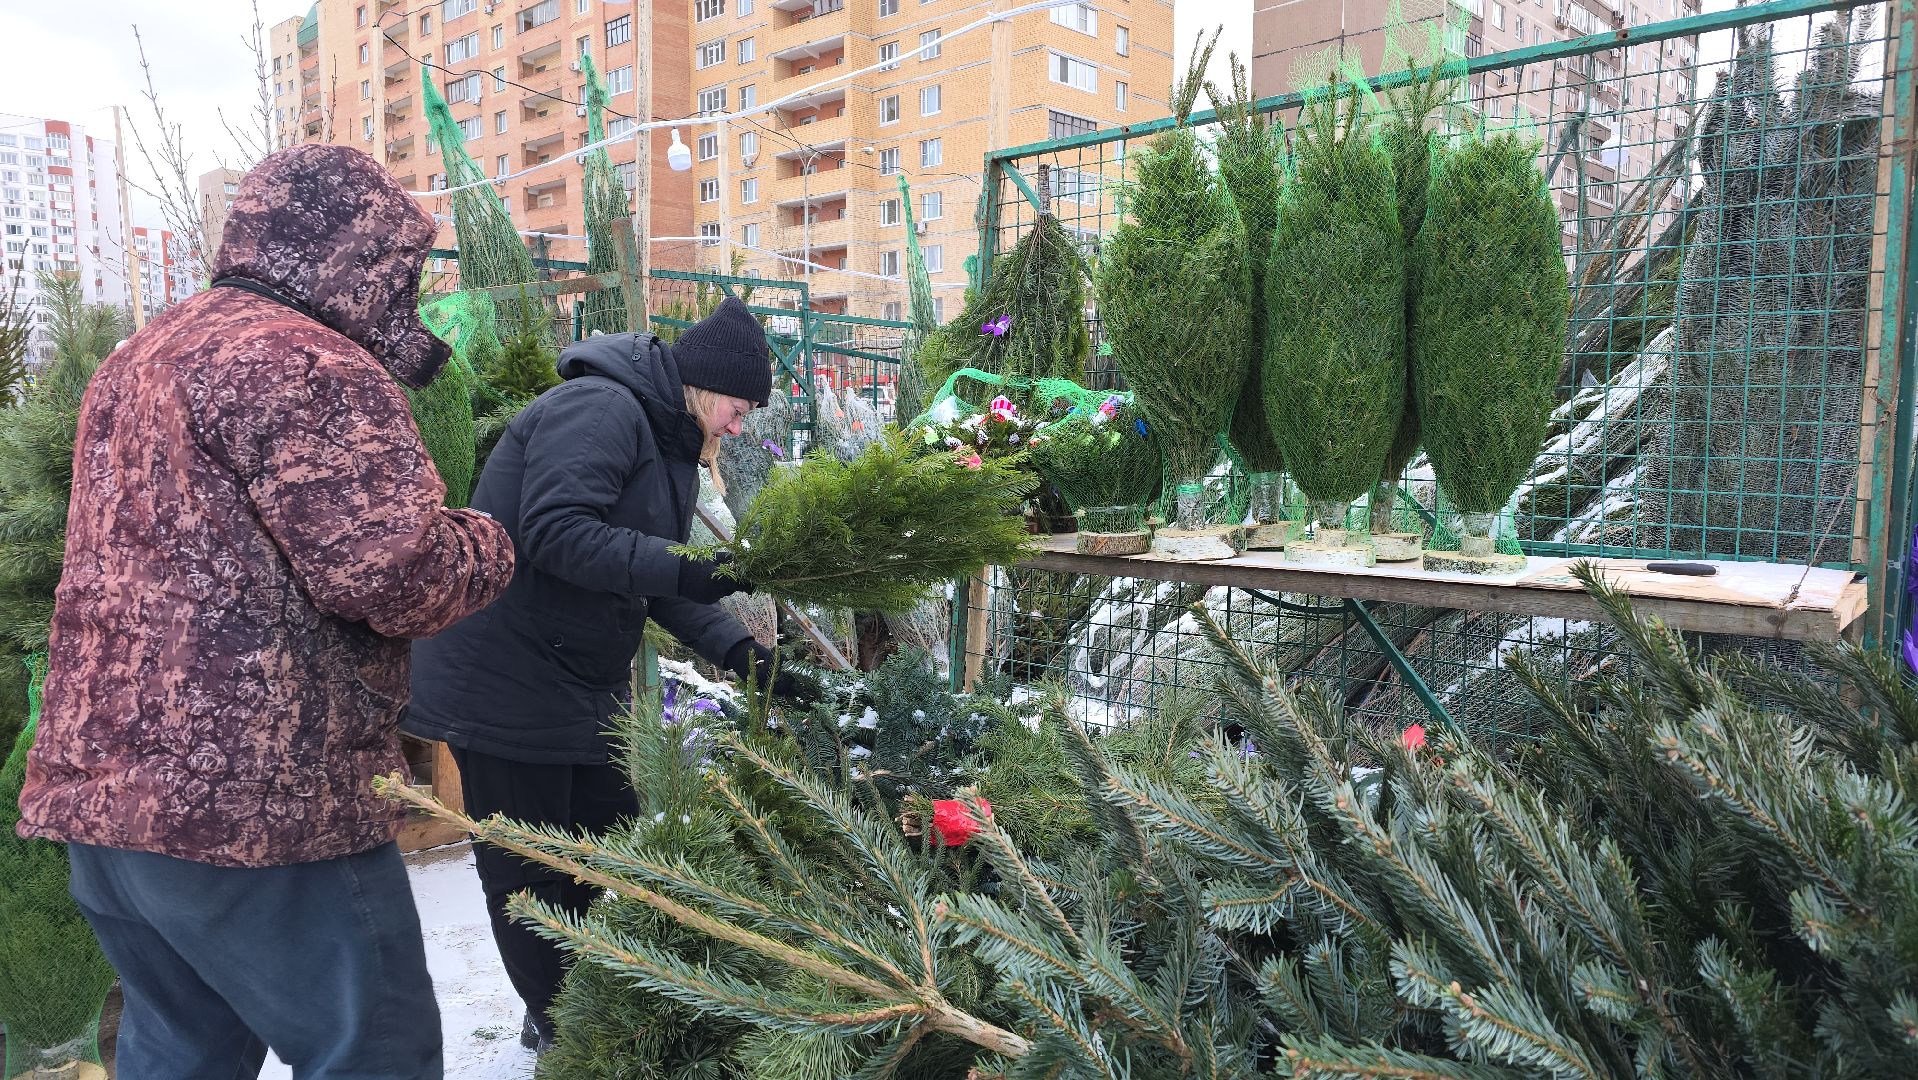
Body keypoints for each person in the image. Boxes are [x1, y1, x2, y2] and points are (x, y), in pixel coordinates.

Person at [15, 144, 517, 1079]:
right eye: (396, 266)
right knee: (375, 1056)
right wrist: (489, 539)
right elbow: (395, 572)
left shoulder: (141, 352)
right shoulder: (305, 362)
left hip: (107, 805)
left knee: (183, 1054)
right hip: (258, 816)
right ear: (358, 258)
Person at [405, 295, 814, 1054]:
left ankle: (603, 998)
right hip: (503, 673)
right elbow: (556, 535)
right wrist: (699, 570)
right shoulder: (600, 408)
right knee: (530, 869)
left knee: (609, 844)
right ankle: (567, 1033)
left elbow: (655, 580)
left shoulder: (671, 444)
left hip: (576, 676)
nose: (741, 423)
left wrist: (745, 656)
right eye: (739, 404)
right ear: (703, 383)